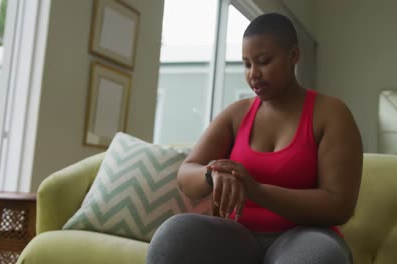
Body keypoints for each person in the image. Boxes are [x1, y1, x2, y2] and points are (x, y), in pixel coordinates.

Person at [146, 12, 362, 264]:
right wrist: (211, 174)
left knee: (319, 258)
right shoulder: (236, 114)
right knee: (173, 236)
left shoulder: (331, 113)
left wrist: (257, 190)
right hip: (238, 237)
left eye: (264, 61)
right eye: (247, 64)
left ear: (294, 56)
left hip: (305, 235)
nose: (253, 74)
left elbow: (339, 206)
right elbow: (186, 174)